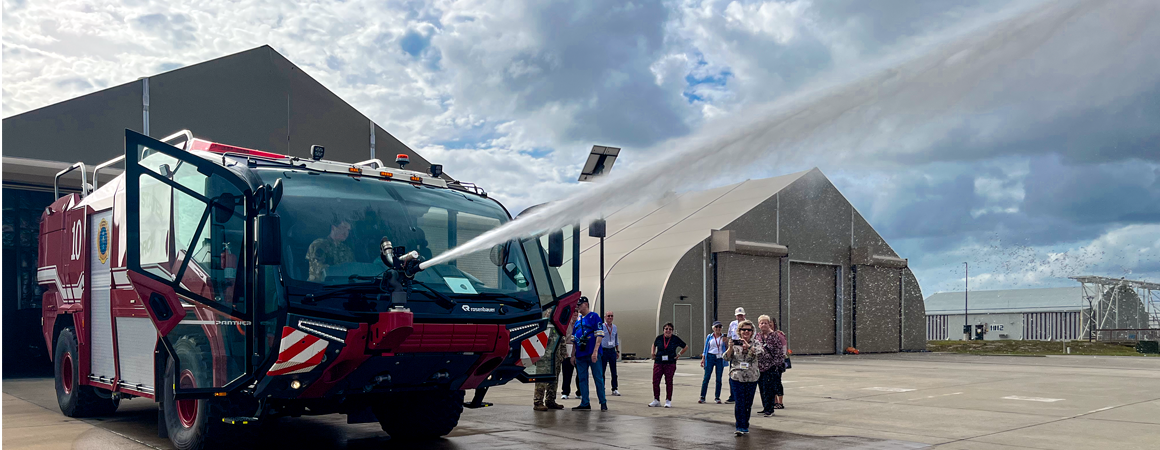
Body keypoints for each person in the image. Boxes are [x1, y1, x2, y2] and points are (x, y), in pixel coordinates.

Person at [725, 320, 762, 436]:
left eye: (749, 330)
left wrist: (749, 346)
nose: (746, 332)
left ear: (752, 332)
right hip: (737, 376)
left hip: (751, 377)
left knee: (747, 403)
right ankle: (739, 426)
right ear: (739, 331)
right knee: (739, 402)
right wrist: (730, 347)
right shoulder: (735, 343)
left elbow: (760, 352)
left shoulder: (755, 343)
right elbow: (726, 357)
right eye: (743, 329)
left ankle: (745, 424)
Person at [571, 297, 607, 411]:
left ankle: (603, 402)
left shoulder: (594, 317)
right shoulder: (578, 320)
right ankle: (585, 402)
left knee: (598, 378)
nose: (578, 307)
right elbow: (574, 339)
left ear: (586, 304)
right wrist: (573, 355)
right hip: (581, 354)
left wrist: (595, 351)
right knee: (582, 378)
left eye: (580, 305)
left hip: (592, 353)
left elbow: (599, 334)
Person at [648, 322, 686, 408]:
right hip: (659, 362)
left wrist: (679, 354)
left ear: (672, 331)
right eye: (666, 329)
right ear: (663, 330)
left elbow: (685, 346)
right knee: (655, 381)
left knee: (669, 381)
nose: (668, 331)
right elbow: (654, 344)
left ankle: (668, 400)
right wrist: (652, 352)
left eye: (670, 329)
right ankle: (656, 399)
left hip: (670, 363)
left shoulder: (675, 339)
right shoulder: (659, 338)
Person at [755, 315, 786, 417]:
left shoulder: (774, 335)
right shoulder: (758, 336)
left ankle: (770, 409)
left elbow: (779, 351)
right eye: (761, 323)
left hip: (771, 366)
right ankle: (765, 407)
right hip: (760, 366)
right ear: (759, 325)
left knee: (769, 388)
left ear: (769, 324)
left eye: (765, 323)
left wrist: (776, 365)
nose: (763, 325)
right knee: (762, 388)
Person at [533, 323, 567, 411]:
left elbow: (562, 340)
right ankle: (538, 402)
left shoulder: (558, 327)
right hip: (544, 358)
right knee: (541, 380)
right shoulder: (541, 327)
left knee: (554, 380)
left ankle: (550, 401)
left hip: (556, 358)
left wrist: (562, 354)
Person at [700, 321, 728, 404]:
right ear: (713, 328)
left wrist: (726, 342)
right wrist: (703, 358)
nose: (718, 329)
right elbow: (706, 348)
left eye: (720, 327)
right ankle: (702, 396)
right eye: (716, 327)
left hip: (720, 357)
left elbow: (727, 349)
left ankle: (717, 397)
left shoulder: (723, 337)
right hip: (710, 356)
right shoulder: (710, 336)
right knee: (706, 377)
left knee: (718, 378)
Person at [725, 307, 747, 403]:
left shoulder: (748, 324)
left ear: (744, 315)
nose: (740, 317)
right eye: (738, 315)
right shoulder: (732, 324)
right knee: (733, 373)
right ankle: (733, 395)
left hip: (744, 352)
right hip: (734, 351)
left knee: (745, 373)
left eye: (741, 315)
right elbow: (729, 336)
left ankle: (744, 395)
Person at [559, 309, 580, 399]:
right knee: (567, 372)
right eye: (573, 311)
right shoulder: (566, 324)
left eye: (576, 311)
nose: (575, 313)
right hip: (567, 349)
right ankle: (565, 392)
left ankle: (580, 392)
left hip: (577, 350)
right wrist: (563, 351)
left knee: (580, 372)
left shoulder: (580, 323)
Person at [601, 311, 621, 396]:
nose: (610, 318)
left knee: (614, 371)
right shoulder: (602, 327)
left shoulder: (615, 327)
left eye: (611, 316)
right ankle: (602, 388)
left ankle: (614, 388)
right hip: (604, 350)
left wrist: (617, 351)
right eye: (608, 316)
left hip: (612, 350)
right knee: (602, 370)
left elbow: (616, 340)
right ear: (605, 317)